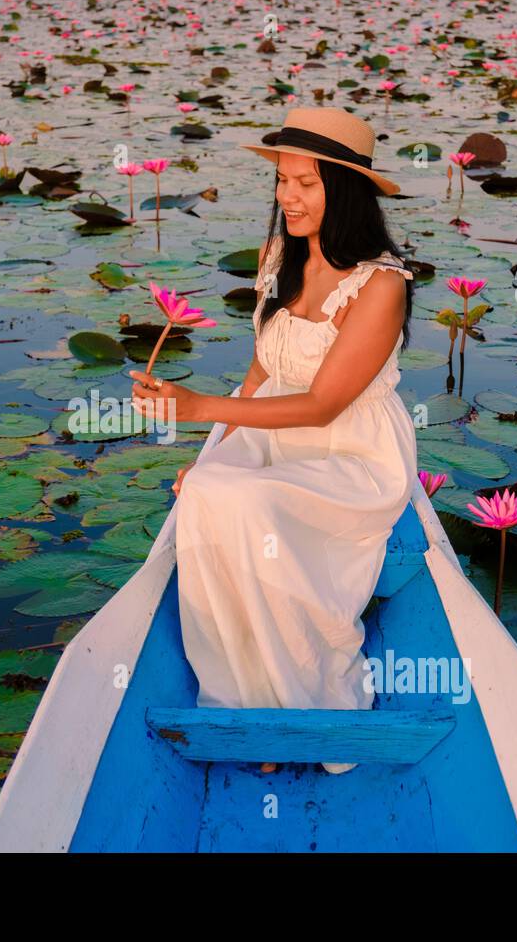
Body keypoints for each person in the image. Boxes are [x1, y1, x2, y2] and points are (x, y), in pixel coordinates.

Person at [128, 107, 418, 776]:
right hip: (272, 428)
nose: (287, 197)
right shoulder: (279, 255)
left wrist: (198, 407)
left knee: (247, 507)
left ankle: (307, 699)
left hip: (347, 450)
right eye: (283, 181)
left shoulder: (380, 285)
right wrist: (217, 447)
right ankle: (246, 699)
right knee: (207, 492)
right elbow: (262, 370)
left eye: (305, 184)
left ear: (344, 190)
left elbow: (323, 403)